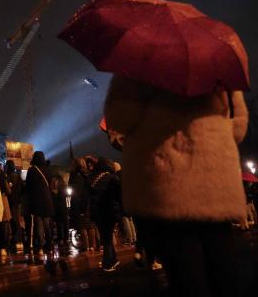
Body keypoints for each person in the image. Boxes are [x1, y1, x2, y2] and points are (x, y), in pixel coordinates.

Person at [105, 74, 249, 297]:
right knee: (223, 271)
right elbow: (238, 129)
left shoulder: (143, 61)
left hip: (169, 183)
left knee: (186, 275)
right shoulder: (217, 59)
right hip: (216, 180)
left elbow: (120, 119)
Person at [86, 156, 122, 271]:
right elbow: (118, 195)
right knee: (108, 237)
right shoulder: (112, 178)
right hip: (110, 210)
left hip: (97, 212)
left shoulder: (91, 178)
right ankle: (108, 263)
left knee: (105, 236)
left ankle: (113, 260)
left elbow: (86, 197)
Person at [25, 151, 54, 255]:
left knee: (39, 224)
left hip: (36, 200)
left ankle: (41, 246)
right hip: (47, 200)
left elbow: (28, 186)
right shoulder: (48, 170)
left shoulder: (31, 170)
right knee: (47, 223)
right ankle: (50, 244)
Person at [68, 156, 97, 252]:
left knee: (82, 225)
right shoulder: (87, 174)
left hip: (79, 202)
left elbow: (73, 190)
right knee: (90, 224)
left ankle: (86, 246)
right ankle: (92, 245)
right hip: (88, 202)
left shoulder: (75, 175)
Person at [49, 164, 69, 246]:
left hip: (57, 204)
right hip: (63, 204)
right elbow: (66, 194)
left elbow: (52, 191)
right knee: (64, 221)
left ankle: (60, 237)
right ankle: (66, 237)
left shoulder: (53, 180)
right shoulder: (62, 181)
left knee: (58, 222)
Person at [5, 160, 22, 253]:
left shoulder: (11, 176)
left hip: (13, 201)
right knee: (16, 219)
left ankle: (16, 237)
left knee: (15, 219)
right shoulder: (16, 175)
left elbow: (11, 189)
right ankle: (17, 236)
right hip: (17, 200)